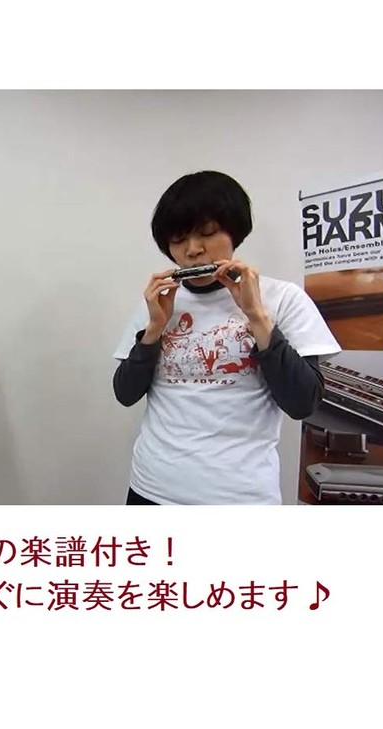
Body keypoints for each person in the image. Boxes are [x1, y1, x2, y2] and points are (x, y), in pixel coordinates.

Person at [112, 170, 340, 505]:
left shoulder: (283, 298)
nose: (193, 250)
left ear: (234, 231)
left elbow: (302, 404)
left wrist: (257, 317)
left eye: (207, 233)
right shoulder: (159, 304)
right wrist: (154, 329)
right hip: (151, 488)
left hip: (240, 496)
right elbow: (125, 393)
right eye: (178, 239)